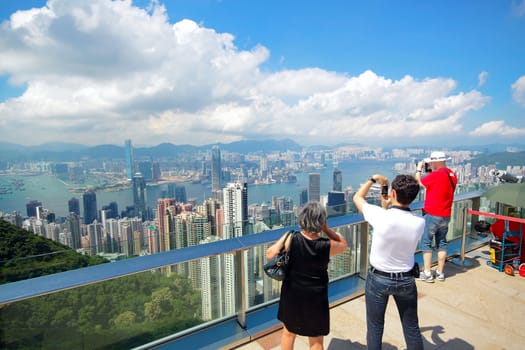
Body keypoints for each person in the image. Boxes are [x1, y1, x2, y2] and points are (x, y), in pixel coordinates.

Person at [353, 174, 425, 350]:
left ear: (392, 193)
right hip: (406, 280)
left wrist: (372, 179)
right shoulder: (419, 222)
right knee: (411, 327)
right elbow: (397, 224)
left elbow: (357, 198)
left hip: (378, 279)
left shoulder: (380, 216)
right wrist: (387, 206)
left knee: (375, 327)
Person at [266, 201, 348, 350]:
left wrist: (284, 240)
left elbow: (270, 254)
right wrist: (327, 229)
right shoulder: (326, 245)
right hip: (316, 296)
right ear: (321, 221)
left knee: (288, 333)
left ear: (302, 218)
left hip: (292, 294)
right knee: (316, 339)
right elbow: (343, 244)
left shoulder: (291, 238)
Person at [415, 151, 457, 282]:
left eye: (432, 162)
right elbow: (436, 185)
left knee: (426, 242)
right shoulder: (452, 174)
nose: (431, 164)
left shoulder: (436, 175)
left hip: (432, 213)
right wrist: (429, 172)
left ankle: (427, 273)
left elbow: (419, 182)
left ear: (437, 161)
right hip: (446, 214)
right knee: (442, 242)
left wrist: (418, 169)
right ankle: (440, 272)